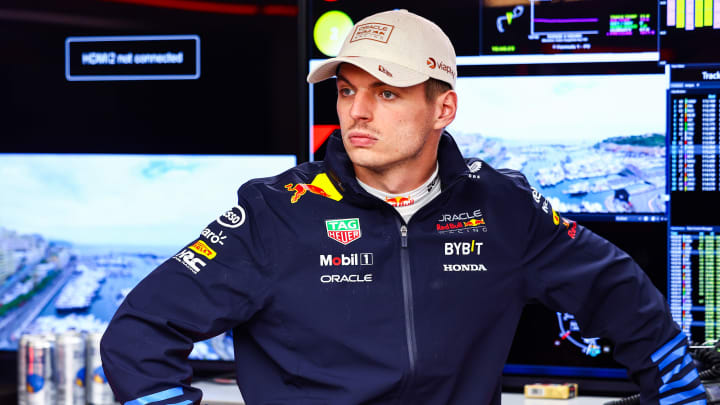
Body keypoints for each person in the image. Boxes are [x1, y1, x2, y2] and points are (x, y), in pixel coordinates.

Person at [100, 9, 706, 405]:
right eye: (346, 91)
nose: (357, 113)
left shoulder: (504, 206)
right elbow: (139, 334)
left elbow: (613, 291)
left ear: (443, 110)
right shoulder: (274, 211)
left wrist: (679, 391)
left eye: (386, 93)